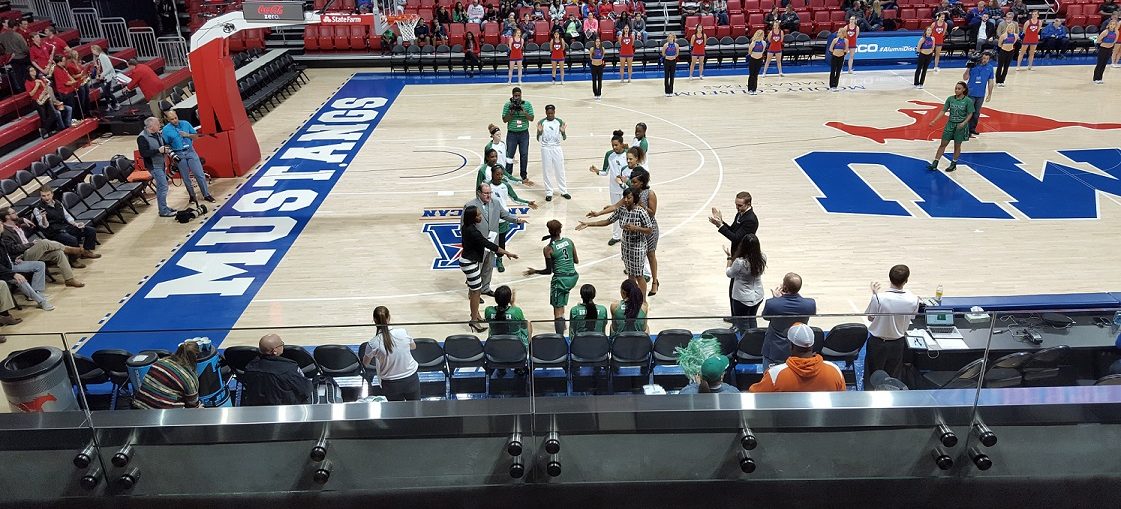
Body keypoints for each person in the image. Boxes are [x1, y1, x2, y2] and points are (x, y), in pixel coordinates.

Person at [577, 188, 653, 297]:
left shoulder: (641, 211)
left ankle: (643, 300)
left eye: (629, 197)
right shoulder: (621, 210)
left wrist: (636, 228)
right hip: (626, 246)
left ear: (635, 198)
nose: (626, 200)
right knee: (630, 275)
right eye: (625, 197)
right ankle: (632, 299)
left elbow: (649, 230)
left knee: (639, 275)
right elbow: (608, 221)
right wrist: (589, 224)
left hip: (638, 247)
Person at [459, 203, 519, 332]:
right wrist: (507, 252)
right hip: (470, 263)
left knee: (476, 290)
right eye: (479, 215)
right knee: (475, 292)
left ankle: (476, 315)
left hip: (468, 261)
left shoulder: (466, 227)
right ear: (473, 217)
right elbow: (488, 244)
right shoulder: (473, 232)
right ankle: (474, 320)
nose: (480, 217)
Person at [862, 265, 920, 389]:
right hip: (897, 343)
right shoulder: (914, 300)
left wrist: (874, 294)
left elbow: (870, 317)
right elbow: (912, 318)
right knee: (893, 377)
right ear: (906, 280)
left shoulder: (879, 298)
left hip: (877, 343)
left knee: (873, 376)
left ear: (889, 278)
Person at [749, 323, 846, 393]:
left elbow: (755, 395)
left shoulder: (775, 375)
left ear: (790, 346)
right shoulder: (835, 371)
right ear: (812, 345)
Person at [1, 208, 84, 287]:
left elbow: (18, 219)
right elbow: (13, 249)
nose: (16, 213)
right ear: (7, 216)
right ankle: (67, 249)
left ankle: (69, 279)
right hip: (21, 257)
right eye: (13, 213)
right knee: (43, 243)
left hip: (30, 252)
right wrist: (31, 244)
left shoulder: (15, 224)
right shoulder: (5, 233)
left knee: (58, 253)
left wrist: (23, 219)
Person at [523, 220, 579, 334]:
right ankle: (563, 326)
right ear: (560, 230)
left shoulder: (548, 249)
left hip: (561, 280)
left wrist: (534, 271)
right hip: (573, 277)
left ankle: (560, 337)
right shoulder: (569, 241)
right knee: (561, 301)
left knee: (557, 310)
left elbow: (549, 271)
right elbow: (576, 260)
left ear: (549, 231)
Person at [710, 191, 758, 317]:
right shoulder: (740, 214)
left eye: (740, 205)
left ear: (748, 204)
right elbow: (732, 230)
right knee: (733, 288)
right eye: (736, 205)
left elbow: (736, 238)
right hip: (737, 252)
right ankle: (734, 316)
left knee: (736, 287)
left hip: (745, 256)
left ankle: (738, 317)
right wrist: (720, 222)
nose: (737, 208)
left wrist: (720, 226)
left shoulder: (750, 220)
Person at [361, 306, 421, 401]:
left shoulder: (373, 343)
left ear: (374, 320)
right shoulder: (402, 332)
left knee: (396, 413)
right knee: (416, 410)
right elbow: (413, 346)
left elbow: (364, 363)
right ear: (389, 318)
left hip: (390, 384)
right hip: (411, 379)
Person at [760, 273, 816, 368]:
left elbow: (765, 317)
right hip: (798, 348)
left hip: (775, 350)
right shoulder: (810, 304)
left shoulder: (772, 304)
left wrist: (776, 299)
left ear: (784, 287)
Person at [241, 334, 314, 405]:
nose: (283, 345)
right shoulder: (289, 368)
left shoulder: (250, 367)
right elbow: (306, 389)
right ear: (274, 351)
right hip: (286, 409)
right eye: (281, 344)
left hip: (257, 408)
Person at [490, 164, 537, 272]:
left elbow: (515, 198)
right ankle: (485, 261)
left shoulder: (506, 186)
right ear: (492, 174)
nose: (500, 176)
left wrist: (527, 203)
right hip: (489, 219)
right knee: (489, 240)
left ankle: (499, 260)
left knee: (501, 242)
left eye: (501, 174)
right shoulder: (486, 186)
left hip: (503, 219)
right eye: (497, 174)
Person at [588, 130, 630, 245]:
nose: (614, 147)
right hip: (614, 189)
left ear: (622, 144)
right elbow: (605, 171)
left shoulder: (628, 154)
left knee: (628, 212)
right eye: (613, 145)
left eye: (616, 145)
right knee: (616, 211)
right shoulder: (609, 155)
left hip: (627, 189)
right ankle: (616, 236)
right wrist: (596, 171)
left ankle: (628, 234)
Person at [33, 187, 100, 259]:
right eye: (43, 196)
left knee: (90, 230)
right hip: (54, 232)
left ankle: (86, 252)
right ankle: (73, 260)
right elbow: (44, 226)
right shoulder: (37, 209)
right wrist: (43, 217)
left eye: (48, 195)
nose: (46, 198)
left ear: (52, 194)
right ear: (40, 196)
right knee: (72, 240)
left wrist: (75, 224)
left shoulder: (58, 203)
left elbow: (67, 216)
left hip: (65, 226)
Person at [162, 109, 214, 203]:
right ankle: (192, 196)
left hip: (190, 151)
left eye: (175, 118)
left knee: (199, 174)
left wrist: (187, 135)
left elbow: (196, 137)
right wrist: (173, 156)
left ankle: (206, 194)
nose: (175, 120)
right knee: (186, 178)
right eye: (172, 119)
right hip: (179, 153)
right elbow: (166, 145)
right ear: (168, 120)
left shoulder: (185, 123)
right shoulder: (166, 130)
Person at [132, 341, 201, 409]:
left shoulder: (159, 362)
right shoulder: (189, 378)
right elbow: (193, 406)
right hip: (165, 414)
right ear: (196, 357)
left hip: (140, 407)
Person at [927, 81, 975, 172]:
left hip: (960, 126)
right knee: (943, 144)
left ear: (964, 89)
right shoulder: (950, 99)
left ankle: (953, 164)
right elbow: (943, 111)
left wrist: (964, 123)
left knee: (957, 146)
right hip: (950, 124)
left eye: (959, 89)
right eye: (956, 88)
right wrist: (934, 120)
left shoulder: (968, 101)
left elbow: (970, 114)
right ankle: (935, 162)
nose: (956, 90)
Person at [136, 117, 180, 217]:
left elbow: (164, 145)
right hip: (154, 166)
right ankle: (163, 211)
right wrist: (158, 151)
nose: (159, 125)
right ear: (151, 127)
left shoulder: (157, 134)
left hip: (161, 163)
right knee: (163, 187)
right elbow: (143, 153)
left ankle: (164, 207)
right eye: (157, 124)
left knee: (161, 187)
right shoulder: (142, 137)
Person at [725, 234, 765, 331]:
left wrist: (729, 258)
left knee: (743, 325)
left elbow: (729, 273)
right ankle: (754, 341)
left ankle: (746, 344)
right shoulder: (763, 257)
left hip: (742, 298)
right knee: (752, 319)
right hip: (758, 295)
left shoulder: (740, 262)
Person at [0, 244, 53, 311]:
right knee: (21, 280)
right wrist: (13, 274)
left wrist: (14, 259)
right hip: (4, 272)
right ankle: (41, 301)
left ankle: (37, 292)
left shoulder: (1, 240)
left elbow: (5, 255)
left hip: (10, 266)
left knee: (40, 265)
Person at [25, 66, 72, 136]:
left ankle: (44, 129)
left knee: (54, 114)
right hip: (37, 101)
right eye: (31, 71)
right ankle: (48, 131)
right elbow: (31, 94)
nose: (34, 72)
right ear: (28, 73)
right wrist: (36, 86)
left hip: (45, 98)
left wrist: (41, 82)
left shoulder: (39, 78)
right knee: (44, 117)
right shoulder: (27, 82)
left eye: (34, 70)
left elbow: (45, 88)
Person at [537, 104, 570, 201]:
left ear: (554, 112)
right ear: (545, 113)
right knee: (547, 170)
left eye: (552, 113)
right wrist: (539, 132)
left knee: (560, 169)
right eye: (548, 113)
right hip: (546, 148)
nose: (550, 115)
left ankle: (564, 191)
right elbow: (537, 138)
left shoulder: (559, 122)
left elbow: (564, 138)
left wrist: (563, 132)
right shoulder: (541, 122)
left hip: (556, 147)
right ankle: (549, 192)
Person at [501, 87, 535, 181]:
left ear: (521, 95)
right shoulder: (508, 105)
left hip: (524, 134)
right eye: (515, 96)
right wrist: (511, 113)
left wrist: (523, 112)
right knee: (510, 155)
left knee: (524, 155)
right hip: (512, 134)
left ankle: (523, 175)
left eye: (518, 96)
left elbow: (531, 118)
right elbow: (504, 120)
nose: (517, 97)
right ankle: (508, 175)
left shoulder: (527, 104)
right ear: (512, 95)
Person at [963, 51, 994, 136]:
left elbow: (990, 81)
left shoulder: (990, 68)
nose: (985, 60)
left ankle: (972, 129)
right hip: (970, 93)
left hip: (981, 95)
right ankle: (965, 130)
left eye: (987, 59)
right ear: (980, 57)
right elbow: (965, 78)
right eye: (984, 58)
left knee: (976, 113)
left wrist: (990, 94)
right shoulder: (973, 65)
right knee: (969, 112)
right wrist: (968, 68)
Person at [0, 19, 31, 92]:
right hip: (21, 58)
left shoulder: (2, 35)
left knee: (18, 76)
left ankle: (22, 90)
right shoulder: (18, 35)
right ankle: (28, 88)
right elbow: (25, 48)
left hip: (11, 59)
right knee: (25, 74)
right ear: (15, 26)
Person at [90, 45, 121, 112]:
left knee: (108, 92)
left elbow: (109, 67)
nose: (92, 52)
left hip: (107, 77)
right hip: (101, 77)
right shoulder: (97, 58)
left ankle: (117, 103)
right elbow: (98, 68)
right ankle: (109, 105)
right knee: (105, 92)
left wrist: (102, 74)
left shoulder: (103, 57)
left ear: (96, 50)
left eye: (92, 50)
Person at [994, 21, 1017, 87]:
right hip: (1003, 51)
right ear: (1007, 28)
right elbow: (999, 44)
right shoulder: (1003, 35)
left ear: (1013, 29)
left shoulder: (1015, 35)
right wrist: (1004, 47)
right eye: (1009, 28)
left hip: (1010, 52)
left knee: (1006, 67)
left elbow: (1013, 43)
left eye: (1012, 28)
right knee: (1000, 66)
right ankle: (998, 81)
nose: (1010, 29)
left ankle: (1002, 80)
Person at [1094, 19, 1118, 84]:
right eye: (1111, 24)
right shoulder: (1105, 32)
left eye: (1114, 24)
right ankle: (1096, 78)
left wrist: (1110, 45)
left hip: (1109, 49)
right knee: (1100, 64)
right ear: (1109, 25)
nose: (1112, 26)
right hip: (1103, 49)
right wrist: (1104, 42)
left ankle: (1100, 78)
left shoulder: (1116, 32)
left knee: (1104, 64)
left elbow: (1115, 41)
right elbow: (1098, 40)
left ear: (1116, 26)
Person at [746, 30, 766, 94]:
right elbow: (749, 52)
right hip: (753, 60)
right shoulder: (753, 43)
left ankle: (754, 89)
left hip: (759, 60)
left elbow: (762, 51)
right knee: (751, 75)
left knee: (756, 75)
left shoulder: (764, 43)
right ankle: (750, 89)